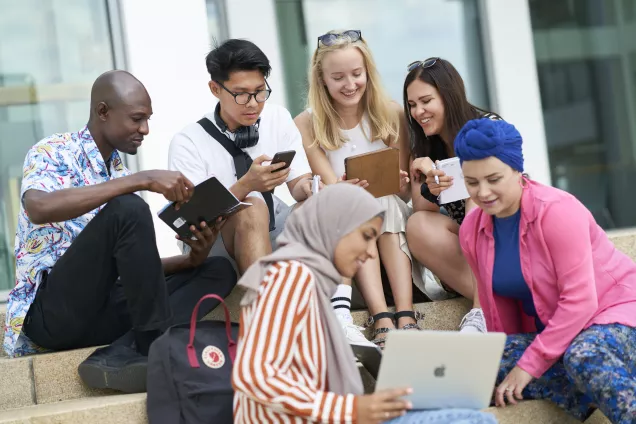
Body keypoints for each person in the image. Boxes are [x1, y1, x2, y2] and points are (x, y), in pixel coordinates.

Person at [4, 70, 237, 394]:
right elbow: (39, 207)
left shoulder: (118, 173)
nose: (145, 130)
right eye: (137, 119)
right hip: (52, 315)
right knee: (129, 208)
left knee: (218, 270)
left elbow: (134, 272)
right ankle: (151, 349)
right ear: (103, 112)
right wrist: (138, 181)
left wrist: (190, 261)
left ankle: (120, 352)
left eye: (148, 120)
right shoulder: (53, 151)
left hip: (101, 313)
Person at [232, 183, 497, 424]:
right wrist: (350, 410)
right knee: (474, 421)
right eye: (367, 236)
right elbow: (254, 376)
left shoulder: (311, 281)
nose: (372, 252)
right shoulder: (289, 276)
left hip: (332, 415)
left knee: (467, 415)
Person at [455, 117, 636, 423]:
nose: (483, 192)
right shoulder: (472, 230)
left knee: (584, 355)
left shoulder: (558, 212)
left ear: (517, 170)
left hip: (617, 316)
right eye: (472, 182)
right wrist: (512, 363)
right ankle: (590, 390)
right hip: (560, 335)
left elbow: (581, 302)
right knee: (479, 360)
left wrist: (529, 366)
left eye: (494, 178)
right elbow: (500, 314)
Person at [295, 30, 434, 347]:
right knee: (359, 204)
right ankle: (381, 315)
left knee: (381, 199)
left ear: (367, 72)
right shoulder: (307, 123)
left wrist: (399, 183)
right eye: (338, 77)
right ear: (322, 80)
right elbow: (329, 186)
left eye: (357, 74)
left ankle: (405, 312)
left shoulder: (391, 113)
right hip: (344, 229)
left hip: (392, 223)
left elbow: (401, 189)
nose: (350, 84)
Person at [169, 39, 314, 276]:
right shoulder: (188, 141)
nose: (254, 104)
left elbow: (299, 184)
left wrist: (313, 189)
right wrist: (247, 185)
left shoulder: (277, 117)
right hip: (214, 245)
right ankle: (266, 309)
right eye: (241, 95)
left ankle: (338, 302)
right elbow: (191, 222)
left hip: (272, 228)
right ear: (215, 89)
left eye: (259, 92)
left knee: (318, 208)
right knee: (252, 206)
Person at [403, 57, 497, 333]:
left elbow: (496, 194)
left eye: (426, 101)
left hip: (510, 241)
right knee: (417, 224)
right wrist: (428, 186)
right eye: (411, 105)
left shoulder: (485, 126)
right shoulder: (422, 145)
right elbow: (423, 214)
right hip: (471, 257)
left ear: (448, 96)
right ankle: (500, 302)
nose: (418, 112)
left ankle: (482, 311)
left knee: (476, 200)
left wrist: (460, 180)